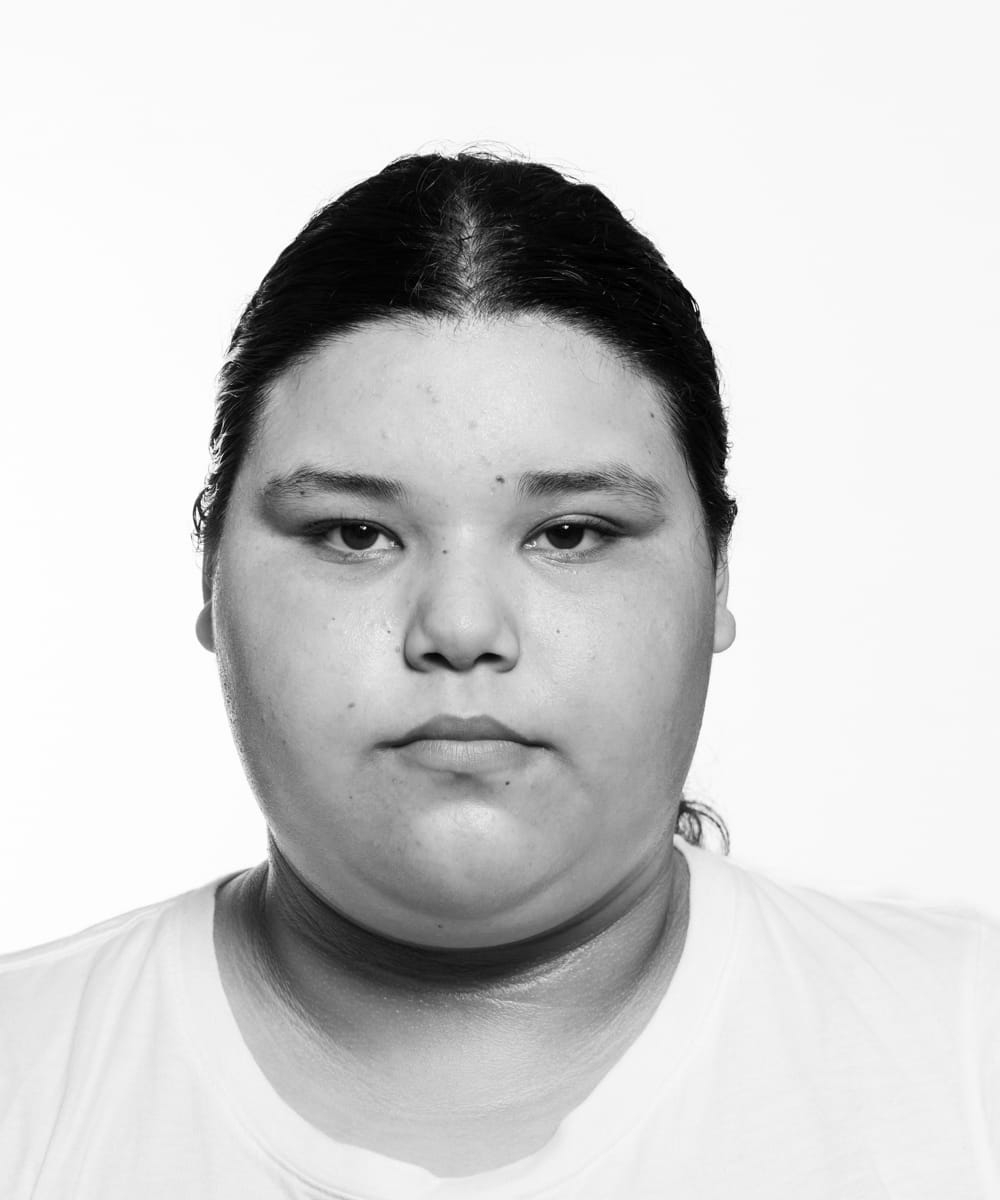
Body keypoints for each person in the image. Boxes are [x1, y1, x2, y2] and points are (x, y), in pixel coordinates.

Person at [1, 151, 997, 1198]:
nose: (462, 629)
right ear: (211, 578)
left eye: (570, 532)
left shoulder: (964, 1057)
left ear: (716, 577)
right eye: (354, 532)